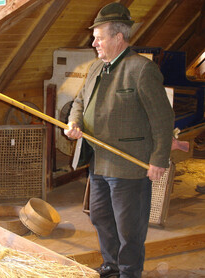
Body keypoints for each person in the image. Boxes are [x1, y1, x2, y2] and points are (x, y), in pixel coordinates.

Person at [64, 3, 174, 278]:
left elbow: (162, 119)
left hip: (129, 165)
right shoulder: (94, 69)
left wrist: (158, 160)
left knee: (129, 226)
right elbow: (79, 101)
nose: (94, 43)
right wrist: (74, 122)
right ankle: (111, 265)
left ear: (118, 38)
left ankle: (129, 271)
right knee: (101, 217)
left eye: (99, 37)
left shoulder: (140, 70)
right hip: (99, 161)